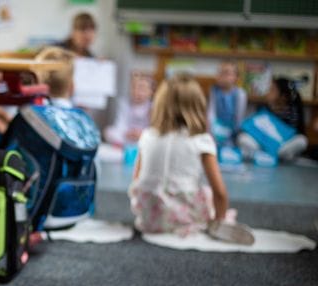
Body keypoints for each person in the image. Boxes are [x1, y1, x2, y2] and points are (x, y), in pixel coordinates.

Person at [129, 73, 230, 237]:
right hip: (183, 216)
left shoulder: (147, 135)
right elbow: (220, 192)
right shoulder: (201, 140)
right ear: (197, 105)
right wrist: (220, 219)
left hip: (148, 217)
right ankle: (212, 225)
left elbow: (136, 182)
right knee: (207, 193)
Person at [237, 77, 308, 162]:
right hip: (261, 145)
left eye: (272, 90)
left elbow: (293, 134)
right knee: (244, 138)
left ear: (283, 96)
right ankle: (263, 155)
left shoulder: (292, 112)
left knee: (302, 140)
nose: (268, 93)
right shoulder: (264, 109)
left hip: (281, 147)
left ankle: (275, 156)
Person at [105, 72, 153, 146]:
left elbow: (153, 129)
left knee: (152, 138)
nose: (137, 92)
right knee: (109, 132)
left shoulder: (152, 107)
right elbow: (120, 124)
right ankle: (125, 145)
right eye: (134, 87)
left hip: (143, 137)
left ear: (150, 92)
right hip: (126, 135)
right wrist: (128, 133)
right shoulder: (124, 103)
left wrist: (141, 133)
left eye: (142, 89)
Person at [207, 61, 247, 147]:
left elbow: (239, 118)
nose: (222, 76)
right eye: (220, 72)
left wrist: (233, 132)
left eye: (226, 73)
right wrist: (212, 130)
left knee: (241, 140)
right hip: (216, 128)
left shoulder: (240, 93)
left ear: (236, 77)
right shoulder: (214, 90)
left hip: (233, 129)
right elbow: (211, 113)